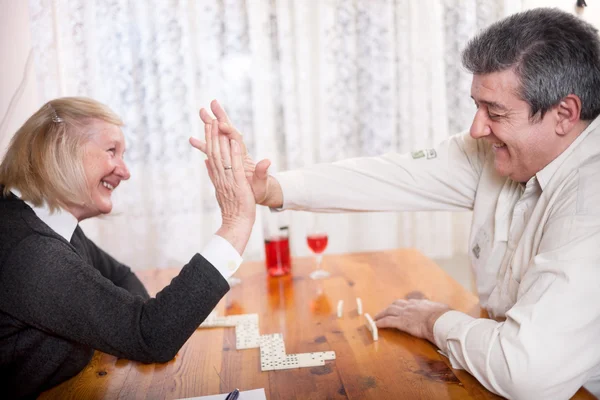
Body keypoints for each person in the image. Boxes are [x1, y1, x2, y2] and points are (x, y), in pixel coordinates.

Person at [195, 8, 600, 399]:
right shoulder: (496, 150)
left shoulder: (591, 198)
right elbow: (390, 176)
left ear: (564, 114)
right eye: (477, 106)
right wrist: (273, 189)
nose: (477, 128)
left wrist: (434, 320)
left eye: (494, 112)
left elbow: (526, 373)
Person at [0, 97, 255, 399]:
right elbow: (153, 336)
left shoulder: (47, 224)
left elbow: (121, 276)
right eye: (112, 151)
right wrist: (235, 223)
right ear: (60, 149)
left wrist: (120, 329)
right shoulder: (32, 253)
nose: (125, 171)